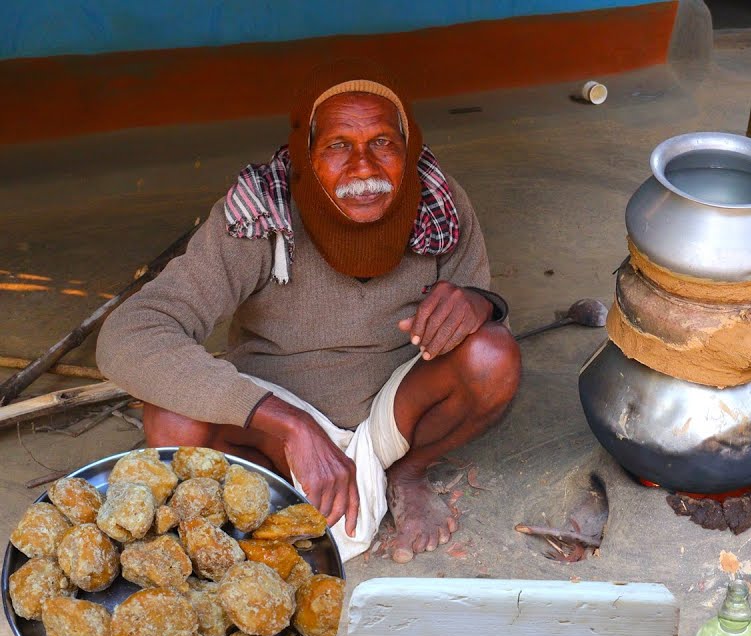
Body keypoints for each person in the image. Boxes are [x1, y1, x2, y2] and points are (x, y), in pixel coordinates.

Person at [97, 60, 520, 563]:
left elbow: (481, 319)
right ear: (305, 155)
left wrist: (478, 303)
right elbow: (129, 336)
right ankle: (247, 501)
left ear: (408, 148)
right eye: (338, 146)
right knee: (171, 412)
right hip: (275, 424)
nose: (363, 168)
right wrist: (293, 425)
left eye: (383, 143)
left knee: (494, 355)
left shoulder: (437, 200)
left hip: (395, 413)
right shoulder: (260, 215)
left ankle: (406, 472)